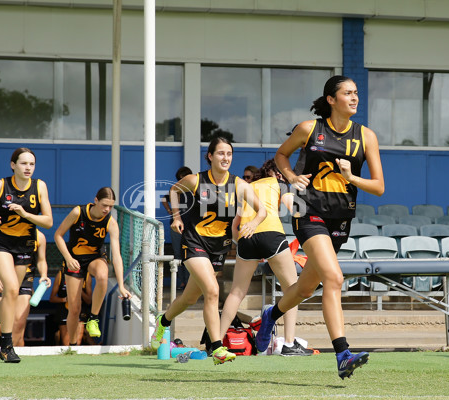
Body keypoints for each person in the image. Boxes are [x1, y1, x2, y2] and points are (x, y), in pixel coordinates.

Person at [255, 75, 384, 379]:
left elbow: (378, 187)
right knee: (334, 278)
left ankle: (270, 315)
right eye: (347, 93)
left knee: (306, 286)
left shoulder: (367, 137)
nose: (354, 97)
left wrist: (352, 178)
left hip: (340, 218)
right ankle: (342, 353)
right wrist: (290, 176)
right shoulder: (309, 129)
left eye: (356, 93)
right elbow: (281, 155)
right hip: (307, 210)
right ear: (331, 99)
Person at [150, 137, 267, 365]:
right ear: (210, 156)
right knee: (212, 291)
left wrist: (252, 224)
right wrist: (176, 217)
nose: (226, 158)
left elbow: (261, 210)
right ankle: (216, 346)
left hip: (218, 248)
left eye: (229, 154)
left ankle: (163, 320)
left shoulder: (239, 185)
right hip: (194, 242)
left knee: (189, 297)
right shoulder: (195, 181)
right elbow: (174, 191)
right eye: (221, 153)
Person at [219, 159, 311, 356]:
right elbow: (293, 208)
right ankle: (288, 343)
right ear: (278, 173)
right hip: (271, 234)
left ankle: (216, 343)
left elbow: (235, 225)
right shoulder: (280, 183)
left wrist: (244, 244)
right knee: (292, 289)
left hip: (246, 239)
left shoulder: (247, 186)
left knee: (236, 293)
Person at [0, 147, 53, 363]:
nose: (28, 168)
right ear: (13, 165)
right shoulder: (0, 186)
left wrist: (25, 214)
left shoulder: (40, 186)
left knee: (12, 294)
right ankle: (6, 346)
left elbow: (48, 221)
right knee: (10, 289)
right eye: (24, 163)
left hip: (24, 244)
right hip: (0, 242)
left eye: (32, 164)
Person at [54, 187, 131, 346]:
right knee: (74, 309)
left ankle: (93, 318)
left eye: (110, 206)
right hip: (74, 259)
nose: (107, 209)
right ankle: (73, 345)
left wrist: (121, 286)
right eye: (104, 205)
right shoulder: (78, 212)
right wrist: (68, 258)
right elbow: (58, 235)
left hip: (95, 257)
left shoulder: (110, 222)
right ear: (95, 200)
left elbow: (116, 256)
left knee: (103, 275)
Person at [0, 230, 49, 347]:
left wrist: (44, 275)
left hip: (25, 279)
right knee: (2, 323)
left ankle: (9, 351)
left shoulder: (39, 237)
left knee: (19, 324)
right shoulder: (6, 231)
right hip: (3, 278)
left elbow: (41, 260)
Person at [161, 166, 193, 290]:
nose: (182, 180)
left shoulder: (195, 189)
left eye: (184, 178)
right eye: (180, 179)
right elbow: (164, 199)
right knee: (178, 254)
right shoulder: (176, 189)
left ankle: (189, 282)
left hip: (191, 226)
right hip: (176, 226)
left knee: (190, 254)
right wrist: (170, 210)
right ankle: (182, 282)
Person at [49, 266, 93, 346]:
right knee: (66, 343)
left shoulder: (86, 275)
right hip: (64, 310)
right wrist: (65, 299)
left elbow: (89, 300)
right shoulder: (60, 275)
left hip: (80, 310)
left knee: (77, 341)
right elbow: (52, 298)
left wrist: (78, 288)